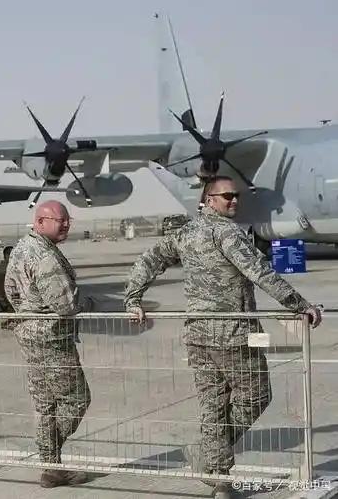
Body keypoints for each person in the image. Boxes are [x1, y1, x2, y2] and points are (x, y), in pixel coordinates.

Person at [123, 176, 322, 497]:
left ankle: (218, 478)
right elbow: (259, 271)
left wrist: (133, 297)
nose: (234, 201)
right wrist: (299, 304)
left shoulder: (186, 232)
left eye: (236, 196)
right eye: (227, 196)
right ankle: (209, 455)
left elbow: (149, 259)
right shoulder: (226, 232)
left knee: (213, 406)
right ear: (209, 199)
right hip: (232, 335)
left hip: (198, 335)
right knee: (256, 396)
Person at [4, 200, 94, 488]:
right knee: (77, 398)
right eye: (59, 220)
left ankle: (51, 468)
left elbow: (10, 291)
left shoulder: (21, 248)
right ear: (40, 222)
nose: (65, 225)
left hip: (29, 333)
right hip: (52, 339)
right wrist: (88, 304)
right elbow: (65, 304)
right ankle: (50, 453)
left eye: (67, 220)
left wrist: (29, 313)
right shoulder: (44, 256)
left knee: (45, 404)